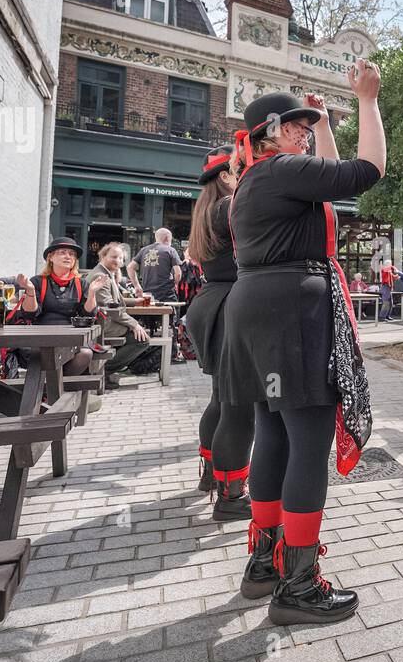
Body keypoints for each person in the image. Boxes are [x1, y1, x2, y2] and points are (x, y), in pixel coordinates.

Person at [219, 69, 385, 625]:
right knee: (309, 443)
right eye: (298, 126)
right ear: (271, 132)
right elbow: (365, 173)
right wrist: (367, 102)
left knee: (274, 434)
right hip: (292, 308)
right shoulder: (283, 170)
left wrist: (329, 121)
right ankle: (299, 586)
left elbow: (333, 177)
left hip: (257, 306)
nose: (306, 133)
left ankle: (264, 563)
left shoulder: (258, 177)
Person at [185, 144, 254, 520]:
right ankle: (232, 497)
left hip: (211, 304)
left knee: (220, 400)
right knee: (240, 408)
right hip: (232, 308)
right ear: (226, 175)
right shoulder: (231, 207)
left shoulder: (205, 209)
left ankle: (211, 474)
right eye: (242, 168)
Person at [7, 236, 108, 376]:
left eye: (72, 254)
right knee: (42, 356)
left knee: (85, 353)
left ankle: (50, 390)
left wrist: (91, 293)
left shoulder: (81, 283)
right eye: (62, 252)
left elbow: (87, 315)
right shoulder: (38, 281)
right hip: (39, 337)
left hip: (70, 338)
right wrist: (30, 291)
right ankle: (51, 391)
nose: (68, 256)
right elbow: (30, 314)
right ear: (50, 257)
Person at [87, 243, 151, 385]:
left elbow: (113, 302)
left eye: (121, 258)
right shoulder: (100, 276)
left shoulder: (105, 273)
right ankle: (102, 370)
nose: (118, 261)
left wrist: (135, 301)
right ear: (103, 256)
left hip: (106, 321)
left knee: (140, 334)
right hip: (102, 325)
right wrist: (134, 325)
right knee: (142, 340)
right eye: (114, 257)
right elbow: (109, 307)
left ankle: (105, 370)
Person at [129, 228, 182, 302]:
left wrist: (136, 285)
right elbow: (178, 273)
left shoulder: (144, 250)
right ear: (167, 238)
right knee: (171, 312)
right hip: (166, 294)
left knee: (152, 313)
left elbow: (130, 267)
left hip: (147, 294)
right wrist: (175, 284)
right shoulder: (170, 250)